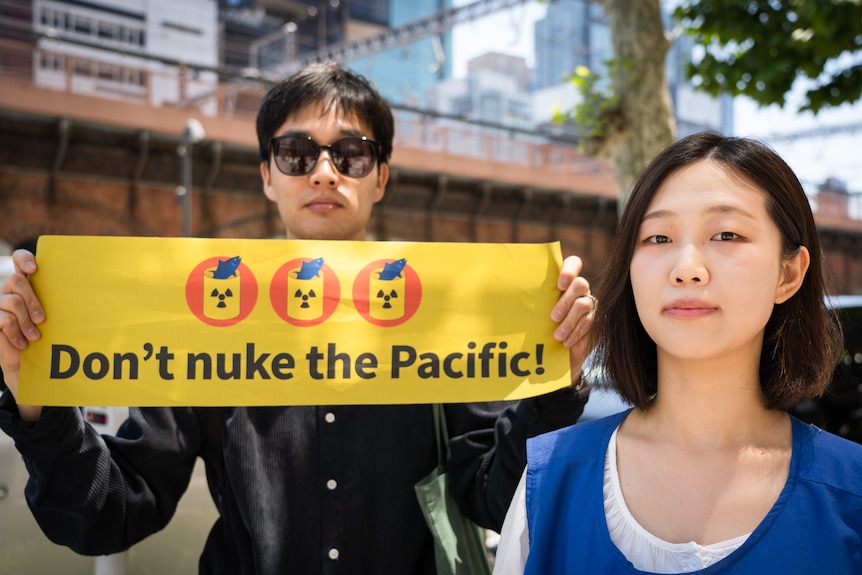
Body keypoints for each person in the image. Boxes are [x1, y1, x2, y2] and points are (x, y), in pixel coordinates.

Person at [0, 63, 596, 575]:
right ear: (267, 174)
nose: (324, 172)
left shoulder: (443, 316)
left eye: (352, 154)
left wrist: (556, 388)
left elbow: (495, 499)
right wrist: (38, 406)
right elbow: (109, 515)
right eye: (296, 152)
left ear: (380, 176)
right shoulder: (204, 324)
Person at [493, 132, 862, 574]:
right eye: (657, 238)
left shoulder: (850, 490)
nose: (686, 268)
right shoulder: (547, 479)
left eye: (726, 234)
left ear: (789, 273)